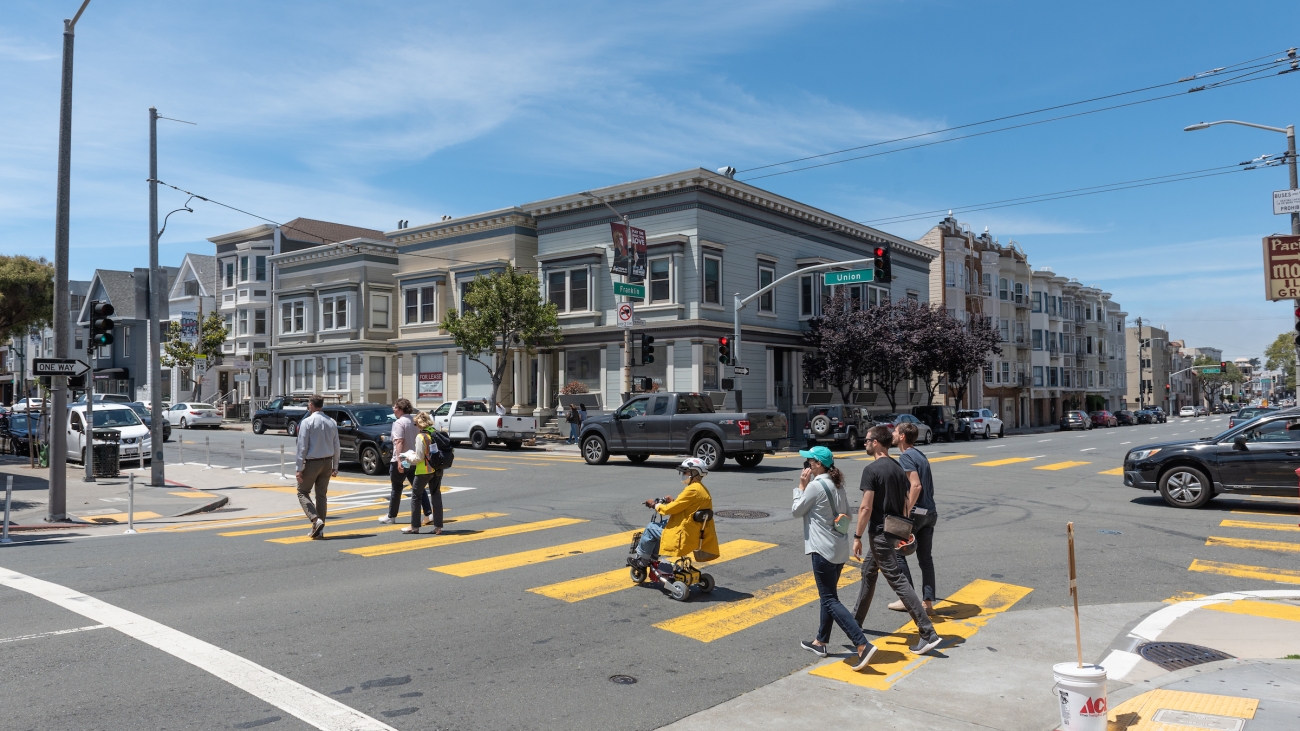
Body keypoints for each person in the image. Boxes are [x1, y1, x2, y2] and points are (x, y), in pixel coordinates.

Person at [851, 426, 943, 656]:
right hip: (892, 531)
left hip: (879, 533)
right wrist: (904, 530)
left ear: (876, 443)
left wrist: (857, 536)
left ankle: (928, 633)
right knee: (868, 573)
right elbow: (905, 502)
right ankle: (854, 625)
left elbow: (865, 507)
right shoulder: (896, 466)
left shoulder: (871, 470)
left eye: (867, 440)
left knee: (898, 580)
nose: (865, 443)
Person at [793, 445, 876, 671]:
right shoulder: (837, 484)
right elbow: (848, 515)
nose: (807, 464)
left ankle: (862, 644)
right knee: (828, 595)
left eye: (810, 461)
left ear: (819, 464)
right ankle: (821, 641)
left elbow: (796, 510)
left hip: (822, 550)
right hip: (838, 548)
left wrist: (801, 487)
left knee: (829, 598)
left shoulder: (815, 486)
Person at [888, 421, 937, 614]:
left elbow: (915, 485)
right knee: (925, 559)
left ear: (902, 436)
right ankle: (928, 603)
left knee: (898, 553)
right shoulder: (920, 455)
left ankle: (907, 599)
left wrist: (906, 512)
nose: (892, 433)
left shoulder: (906, 456)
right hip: (930, 513)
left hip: (915, 513)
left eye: (895, 431)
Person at [634, 457, 719, 565]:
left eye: (685, 471)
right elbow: (686, 506)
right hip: (695, 532)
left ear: (694, 472)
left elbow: (668, 510)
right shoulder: (701, 489)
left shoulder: (692, 490)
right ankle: (653, 557)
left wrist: (655, 505)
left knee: (651, 528)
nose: (683, 474)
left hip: (684, 535)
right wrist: (673, 501)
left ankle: (642, 562)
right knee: (664, 524)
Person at [294, 395, 340, 540]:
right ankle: (319, 530)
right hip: (327, 462)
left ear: (312, 405)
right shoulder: (331, 422)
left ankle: (315, 519)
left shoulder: (307, 422)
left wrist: (299, 468)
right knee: (321, 496)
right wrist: (335, 465)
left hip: (312, 461)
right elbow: (336, 445)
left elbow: (302, 447)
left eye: (309, 404)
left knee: (302, 491)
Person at [381, 398, 431, 525]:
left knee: (396, 487)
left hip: (403, 459)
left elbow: (399, 442)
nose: (393, 409)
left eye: (395, 407)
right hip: (414, 459)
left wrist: (398, 461)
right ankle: (428, 513)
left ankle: (391, 516)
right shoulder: (414, 421)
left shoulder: (399, 423)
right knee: (418, 487)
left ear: (401, 409)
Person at [403, 412, 444, 535]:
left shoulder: (421, 437)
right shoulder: (435, 432)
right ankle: (438, 527)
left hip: (424, 471)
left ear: (420, 424)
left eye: (415, 423)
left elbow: (419, 457)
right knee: (436, 496)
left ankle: (414, 527)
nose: (415, 426)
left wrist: (408, 457)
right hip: (437, 469)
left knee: (416, 497)